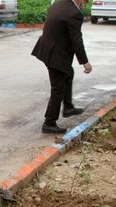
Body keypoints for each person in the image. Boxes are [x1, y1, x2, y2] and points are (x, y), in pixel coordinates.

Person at [31, 0, 92, 134]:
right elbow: (76, 40)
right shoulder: (74, 13)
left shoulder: (58, 4)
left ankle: (68, 107)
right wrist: (85, 62)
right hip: (55, 54)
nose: (85, 3)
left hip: (47, 48)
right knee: (58, 87)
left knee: (68, 73)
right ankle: (49, 122)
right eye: (85, 0)